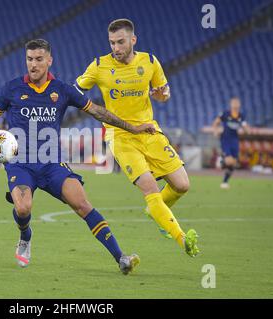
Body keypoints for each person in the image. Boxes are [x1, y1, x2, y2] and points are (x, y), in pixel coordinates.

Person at [0, 39, 157, 274]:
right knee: (23, 209)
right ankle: (25, 236)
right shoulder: (12, 88)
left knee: (82, 204)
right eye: (29, 59)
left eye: (38, 59)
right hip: (20, 164)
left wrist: (133, 127)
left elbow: (97, 111)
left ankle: (121, 258)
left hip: (53, 162)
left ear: (49, 60)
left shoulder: (63, 90)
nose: (33, 64)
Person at [75, 18, 199, 256]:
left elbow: (164, 93)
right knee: (150, 189)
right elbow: (76, 89)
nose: (116, 48)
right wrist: (90, 108)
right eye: (112, 43)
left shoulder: (150, 61)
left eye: (120, 42)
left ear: (133, 40)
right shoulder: (99, 66)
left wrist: (162, 95)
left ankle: (156, 211)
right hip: (120, 136)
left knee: (182, 185)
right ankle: (183, 239)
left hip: (149, 131)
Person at [212, 97, 249, 189]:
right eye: (234, 103)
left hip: (235, 140)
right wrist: (215, 131)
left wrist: (247, 130)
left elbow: (245, 127)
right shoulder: (225, 113)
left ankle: (225, 182)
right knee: (229, 161)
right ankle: (221, 160)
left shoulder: (241, 116)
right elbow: (216, 122)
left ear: (239, 105)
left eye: (237, 103)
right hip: (225, 139)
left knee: (234, 163)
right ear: (231, 104)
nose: (235, 104)